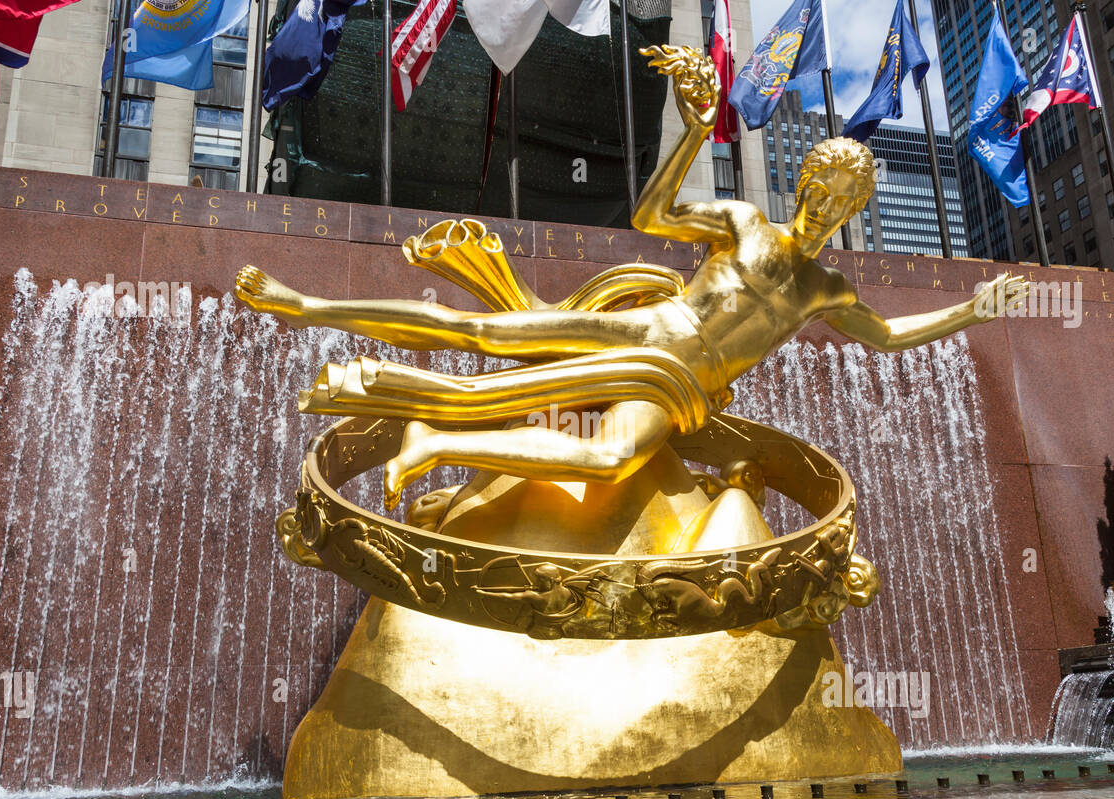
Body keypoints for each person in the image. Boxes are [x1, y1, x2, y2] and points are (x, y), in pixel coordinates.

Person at [236, 46, 1027, 510]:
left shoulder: (826, 290)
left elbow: (887, 337)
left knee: (610, 459)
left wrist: (972, 311)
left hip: (679, 390)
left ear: (853, 208)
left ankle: (433, 440)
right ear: (805, 182)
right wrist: (689, 131)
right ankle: (307, 305)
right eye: (819, 185)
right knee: (486, 332)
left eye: (842, 197)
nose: (825, 202)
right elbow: (653, 216)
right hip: (651, 331)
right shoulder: (746, 222)